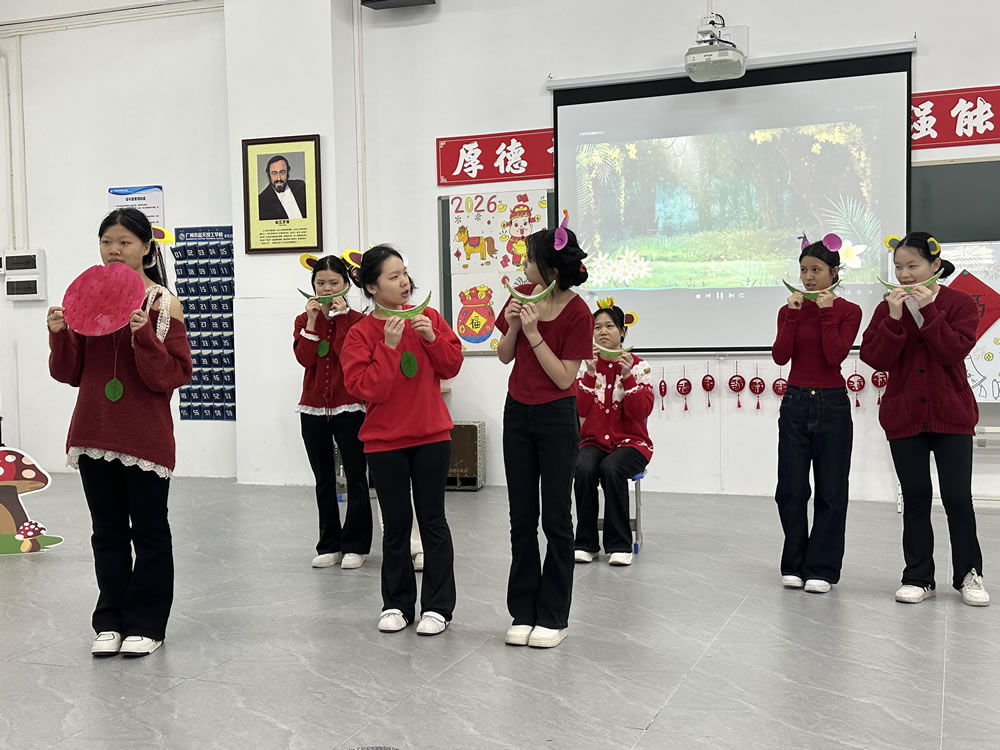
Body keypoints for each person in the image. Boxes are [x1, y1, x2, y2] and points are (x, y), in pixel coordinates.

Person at [47, 208, 192, 657]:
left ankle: (147, 623)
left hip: (144, 436)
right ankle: (109, 620)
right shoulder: (85, 298)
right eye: (106, 241)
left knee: (149, 532)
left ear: (147, 249)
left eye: (125, 242)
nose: (114, 250)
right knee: (106, 531)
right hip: (93, 431)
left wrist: (144, 336)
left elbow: (171, 376)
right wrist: (60, 335)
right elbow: (69, 373)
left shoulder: (163, 303)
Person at [860, 232, 989, 607]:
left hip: (952, 416)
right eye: (898, 267)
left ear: (935, 265)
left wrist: (929, 310)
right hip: (904, 416)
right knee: (915, 498)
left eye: (912, 266)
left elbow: (953, 351)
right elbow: (875, 358)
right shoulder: (888, 307)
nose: (904, 275)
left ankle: (969, 575)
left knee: (957, 499)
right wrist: (894, 318)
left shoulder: (960, 303)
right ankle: (918, 577)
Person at [341, 246, 463, 635]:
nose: (404, 283)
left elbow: (451, 365)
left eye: (404, 274)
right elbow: (366, 389)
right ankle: (396, 604)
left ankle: (438, 608)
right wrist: (389, 348)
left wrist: (431, 338)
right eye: (393, 277)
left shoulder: (429, 318)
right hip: (384, 442)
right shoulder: (360, 333)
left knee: (433, 521)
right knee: (395, 525)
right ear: (372, 287)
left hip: (431, 436)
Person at [496, 212, 592, 649]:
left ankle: (554, 616)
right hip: (518, 414)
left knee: (555, 518)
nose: (524, 266)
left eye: (530, 260)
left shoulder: (578, 312)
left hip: (556, 417)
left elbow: (564, 378)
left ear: (551, 269)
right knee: (521, 518)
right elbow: (504, 355)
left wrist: (534, 333)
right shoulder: (523, 296)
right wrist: (516, 325)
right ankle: (523, 611)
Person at [771, 234, 862, 594]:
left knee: (831, 491)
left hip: (832, 404)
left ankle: (822, 567)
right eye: (804, 270)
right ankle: (794, 562)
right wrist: (793, 316)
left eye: (816, 270)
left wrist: (825, 311)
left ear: (834, 272)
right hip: (795, 401)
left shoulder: (849, 311)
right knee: (790, 489)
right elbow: (780, 356)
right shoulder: (789, 310)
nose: (808, 277)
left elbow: (834, 355)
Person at [294, 255, 372, 570]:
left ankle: (356, 545)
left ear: (346, 284)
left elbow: (346, 356)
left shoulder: (358, 321)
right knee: (323, 479)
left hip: (350, 406)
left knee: (356, 477)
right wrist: (313, 322)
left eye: (334, 282)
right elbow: (305, 359)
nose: (327, 288)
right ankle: (329, 544)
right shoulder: (303, 319)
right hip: (312, 407)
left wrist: (339, 319)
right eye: (321, 283)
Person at [573, 299, 653, 567]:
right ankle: (585, 543)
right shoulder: (585, 366)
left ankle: (620, 544)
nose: (602, 332)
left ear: (622, 331)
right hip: (593, 441)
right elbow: (579, 409)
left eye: (609, 326)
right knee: (583, 467)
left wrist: (628, 376)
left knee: (612, 467)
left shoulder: (639, 366)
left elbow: (640, 412)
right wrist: (589, 374)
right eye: (597, 327)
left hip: (633, 444)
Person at [258, 154, 307, 221]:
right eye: (274, 173)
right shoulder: (261, 201)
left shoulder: (301, 186)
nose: (279, 178)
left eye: (282, 172)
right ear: (269, 175)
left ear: (288, 173)